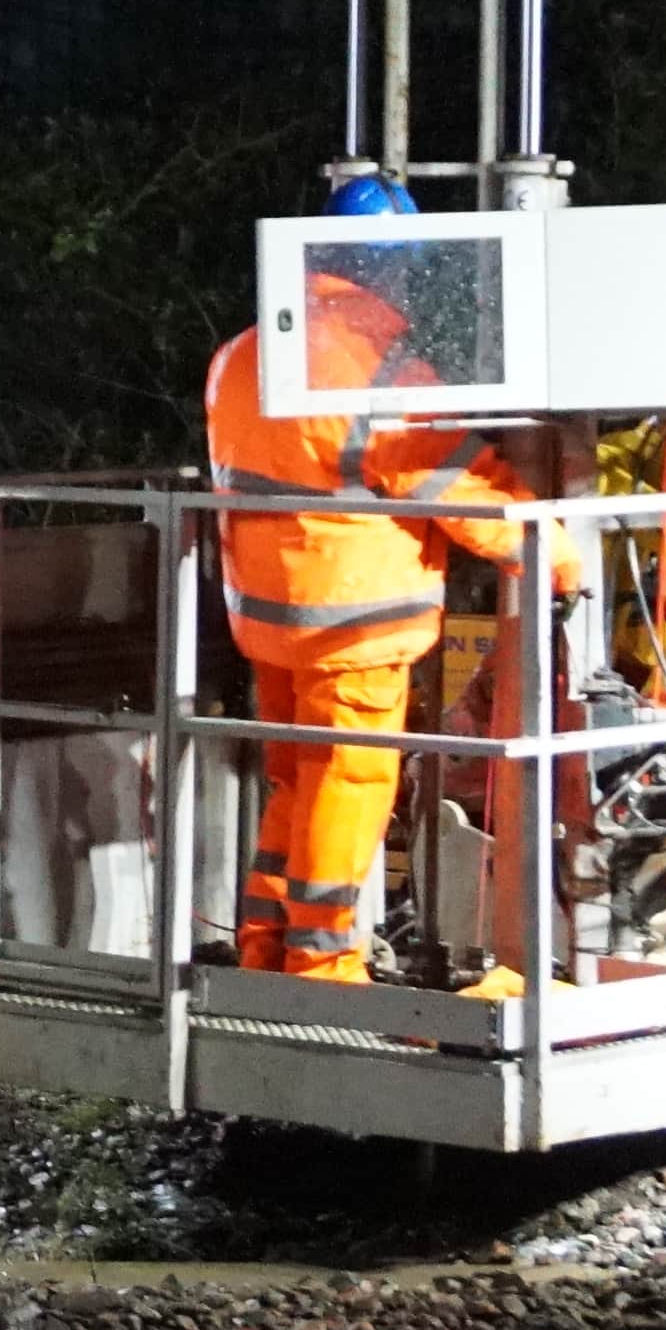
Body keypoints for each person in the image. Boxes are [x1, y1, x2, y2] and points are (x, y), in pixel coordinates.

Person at [198, 203, 520, 982]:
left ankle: (267, 948)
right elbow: (462, 487)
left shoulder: (240, 354)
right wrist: (558, 553)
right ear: (388, 265)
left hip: (269, 623)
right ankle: (324, 963)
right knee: (350, 786)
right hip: (357, 628)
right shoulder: (378, 369)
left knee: (295, 783)